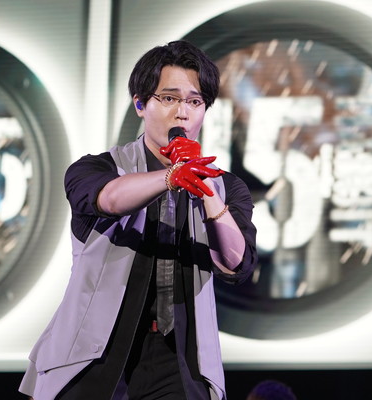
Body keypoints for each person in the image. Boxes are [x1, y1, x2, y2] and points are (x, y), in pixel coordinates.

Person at [19, 40, 257, 400]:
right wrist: (171, 177)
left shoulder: (226, 187)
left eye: (195, 102)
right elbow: (110, 199)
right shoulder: (97, 168)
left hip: (179, 360)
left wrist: (205, 187)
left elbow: (235, 263)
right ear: (140, 104)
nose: (182, 113)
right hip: (93, 356)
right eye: (169, 98)